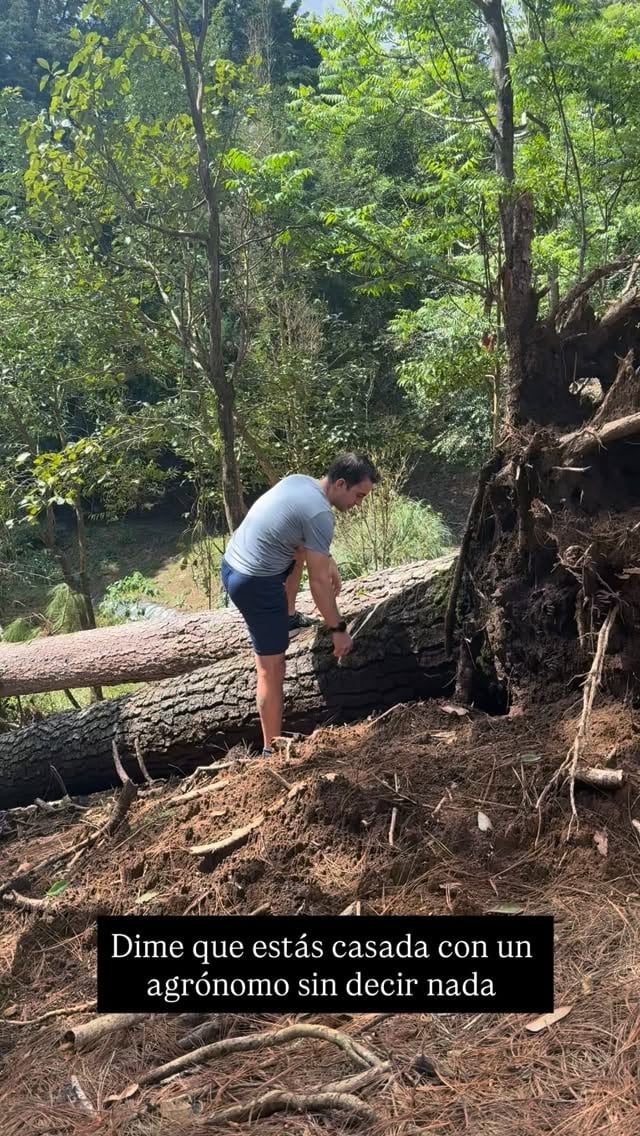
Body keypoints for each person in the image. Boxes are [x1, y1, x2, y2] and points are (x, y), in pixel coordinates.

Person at [220, 453, 379, 757]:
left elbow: (297, 535)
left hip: (231, 563)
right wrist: (338, 629)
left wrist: (327, 558)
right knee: (271, 669)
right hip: (254, 583)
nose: (358, 503)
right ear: (341, 484)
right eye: (358, 496)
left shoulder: (302, 482)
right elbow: (319, 585)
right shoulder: (321, 515)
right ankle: (271, 751)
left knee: (297, 552)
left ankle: (289, 615)